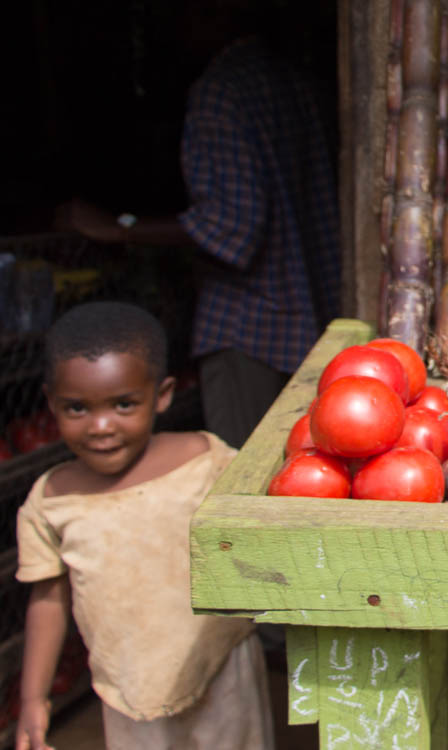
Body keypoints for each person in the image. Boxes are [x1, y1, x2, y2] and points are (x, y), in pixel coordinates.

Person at [59, 1, 340, 449]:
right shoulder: (294, 83)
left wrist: (119, 228)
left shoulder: (221, 92)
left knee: (242, 468)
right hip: (311, 318)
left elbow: (231, 229)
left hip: (250, 326)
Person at [13, 301, 273, 750]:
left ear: (163, 394)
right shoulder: (50, 500)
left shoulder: (206, 460)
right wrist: (33, 698)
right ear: (51, 403)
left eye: (123, 404)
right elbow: (48, 599)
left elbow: (265, 530)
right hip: (127, 691)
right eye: (76, 408)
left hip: (221, 669)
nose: (101, 426)